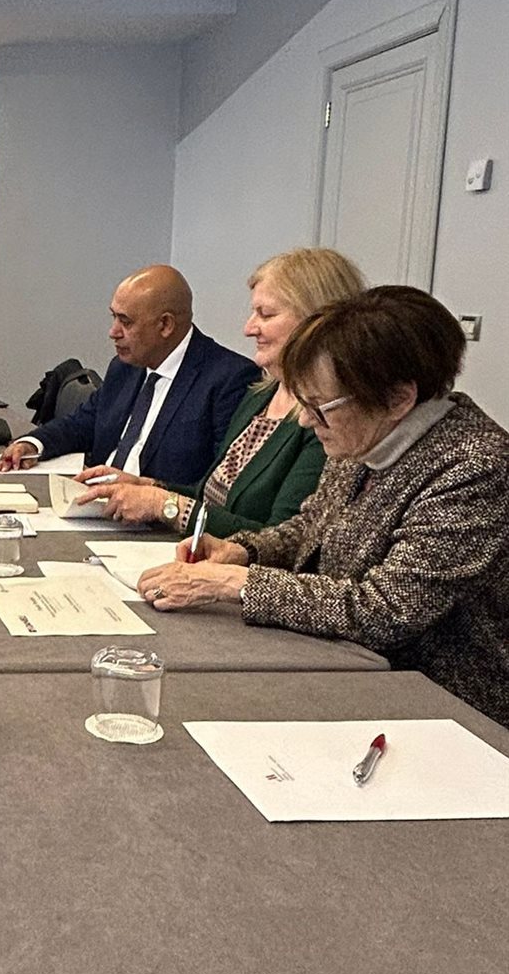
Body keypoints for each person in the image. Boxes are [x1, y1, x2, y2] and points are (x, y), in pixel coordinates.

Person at [136, 286, 509, 726]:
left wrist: (236, 582)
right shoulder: (368, 432)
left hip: (445, 708)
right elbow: (311, 527)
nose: (305, 419)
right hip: (347, 664)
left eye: (319, 406)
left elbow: (387, 609)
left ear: (398, 399)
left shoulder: (477, 467)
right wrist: (243, 551)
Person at [75, 248, 366, 535]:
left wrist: (164, 504)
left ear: (316, 321)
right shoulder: (260, 395)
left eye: (265, 314)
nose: (249, 328)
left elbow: (283, 539)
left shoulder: (327, 419)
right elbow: (211, 497)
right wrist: (149, 487)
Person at [0, 265, 258, 491]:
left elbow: (218, 487)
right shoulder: (125, 367)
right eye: (114, 317)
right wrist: (32, 444)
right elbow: (83, 423)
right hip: (95, 504)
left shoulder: (229, 379)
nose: (113, 332)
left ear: (165, 325)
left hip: (155, 521)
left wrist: (147, 492)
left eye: (126, 322)